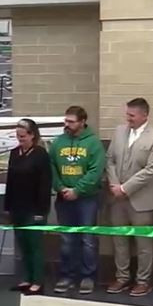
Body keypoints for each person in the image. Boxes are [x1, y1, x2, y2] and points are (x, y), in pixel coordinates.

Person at [105, 98, 153, 297]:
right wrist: (115, 185)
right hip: (117, 199)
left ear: (144, 115)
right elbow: (110, 160)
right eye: (127, 114)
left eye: (132, 115)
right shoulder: (119, 131)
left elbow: (151, 170)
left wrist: (125, 188)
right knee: (119, 241)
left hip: (142, 200)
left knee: (143, 244)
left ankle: (143, 281)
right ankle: (122, 277)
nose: (128, 118)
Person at [50, 105, 105, 295]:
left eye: (71, 121)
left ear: (82, 122)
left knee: (87, 239)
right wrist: (61, 188)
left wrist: (78, 190)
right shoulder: (58, 143)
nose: (67, 124)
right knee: (66, 239)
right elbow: (52, 168)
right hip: (64, 198)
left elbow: (95, 172)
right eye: (66, 121)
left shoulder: (93, 143)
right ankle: (67, 275)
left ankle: (88, 276)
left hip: (86, 199)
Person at [5, 119, 52, 295]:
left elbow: (45, 185)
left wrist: (42, 211)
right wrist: (7, 206)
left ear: (32, 135)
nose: (20, 139)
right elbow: (10, 181)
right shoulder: (14, 153)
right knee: (22, 245)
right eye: (17, 136)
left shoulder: (41, 155)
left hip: (34, 209)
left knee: (35, 245)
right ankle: (26, 278)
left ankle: (38, 281)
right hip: (17, 207)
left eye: (23, 136)